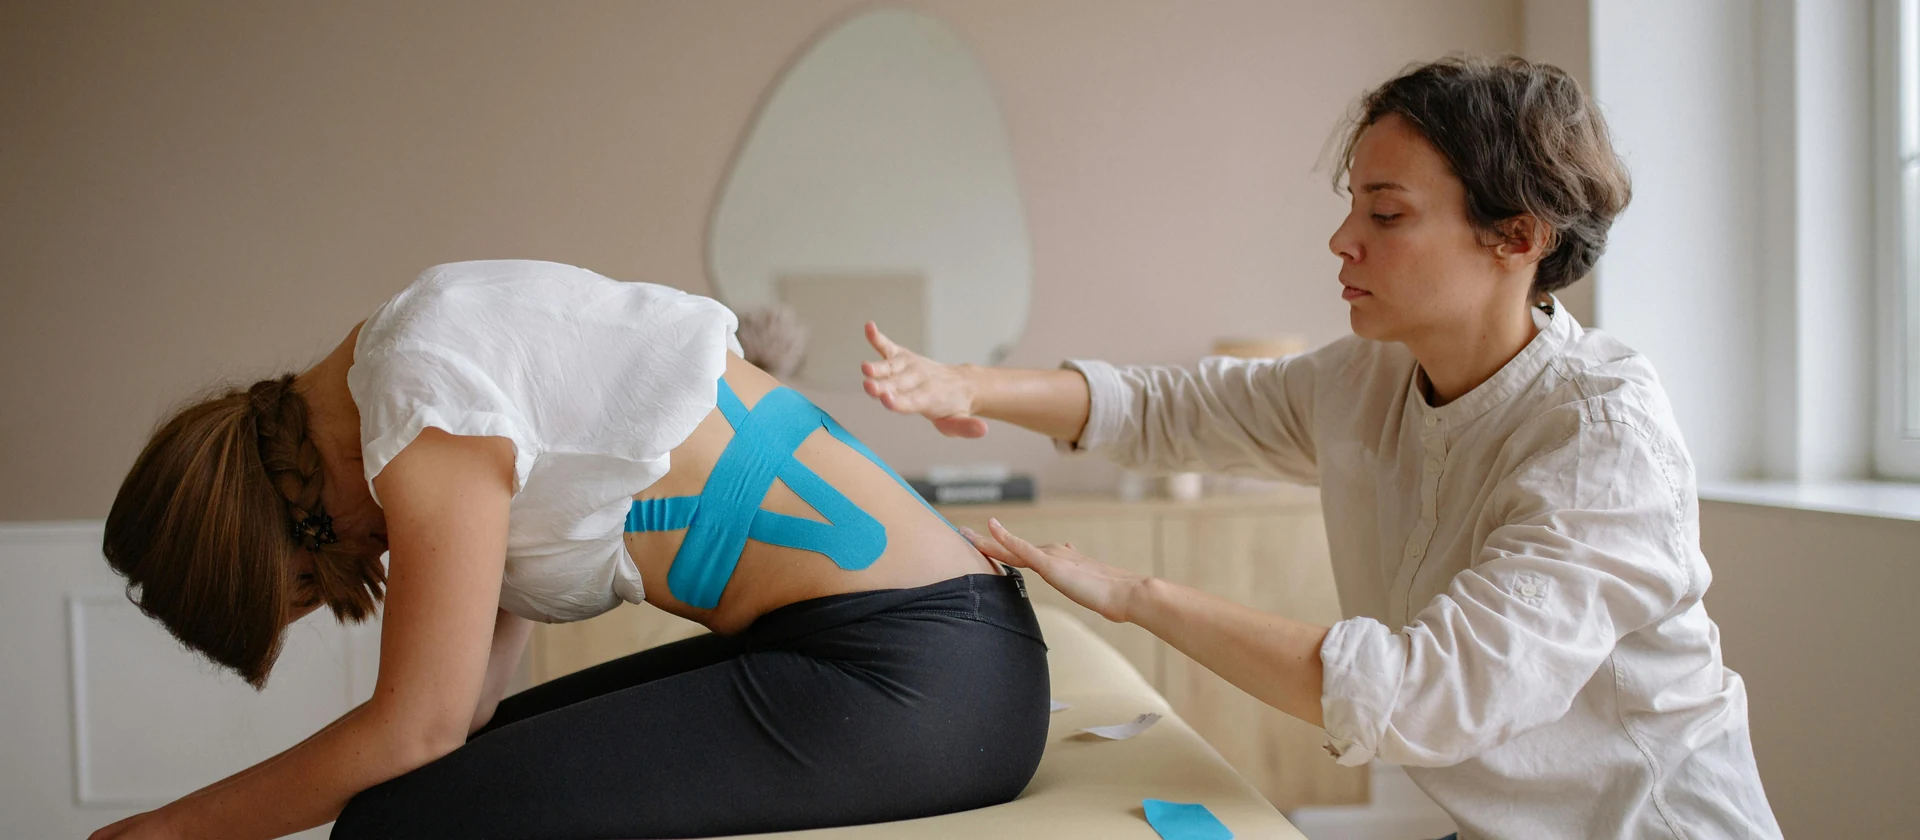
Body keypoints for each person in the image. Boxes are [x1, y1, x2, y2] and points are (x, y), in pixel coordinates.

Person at [861, 56, 1781, 839]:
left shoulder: (1600, 441)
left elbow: (1426, 694)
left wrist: (1140, 596)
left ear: (1518, 236)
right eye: (1353, 209)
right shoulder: (1374, 378)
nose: (1342, 241)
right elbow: (1173, 407)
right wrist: (967, 387)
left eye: (1387, 215)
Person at [92, 259, 1049, 840]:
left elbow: (416, 729)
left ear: (280, 517)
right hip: (925, 652)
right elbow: (462, 716)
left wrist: (172, 830)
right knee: (430, 795)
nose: (363, 567)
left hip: (921, 676)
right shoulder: (425, 355)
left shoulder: (423, 398)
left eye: (311, 578)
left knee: (394, 826)